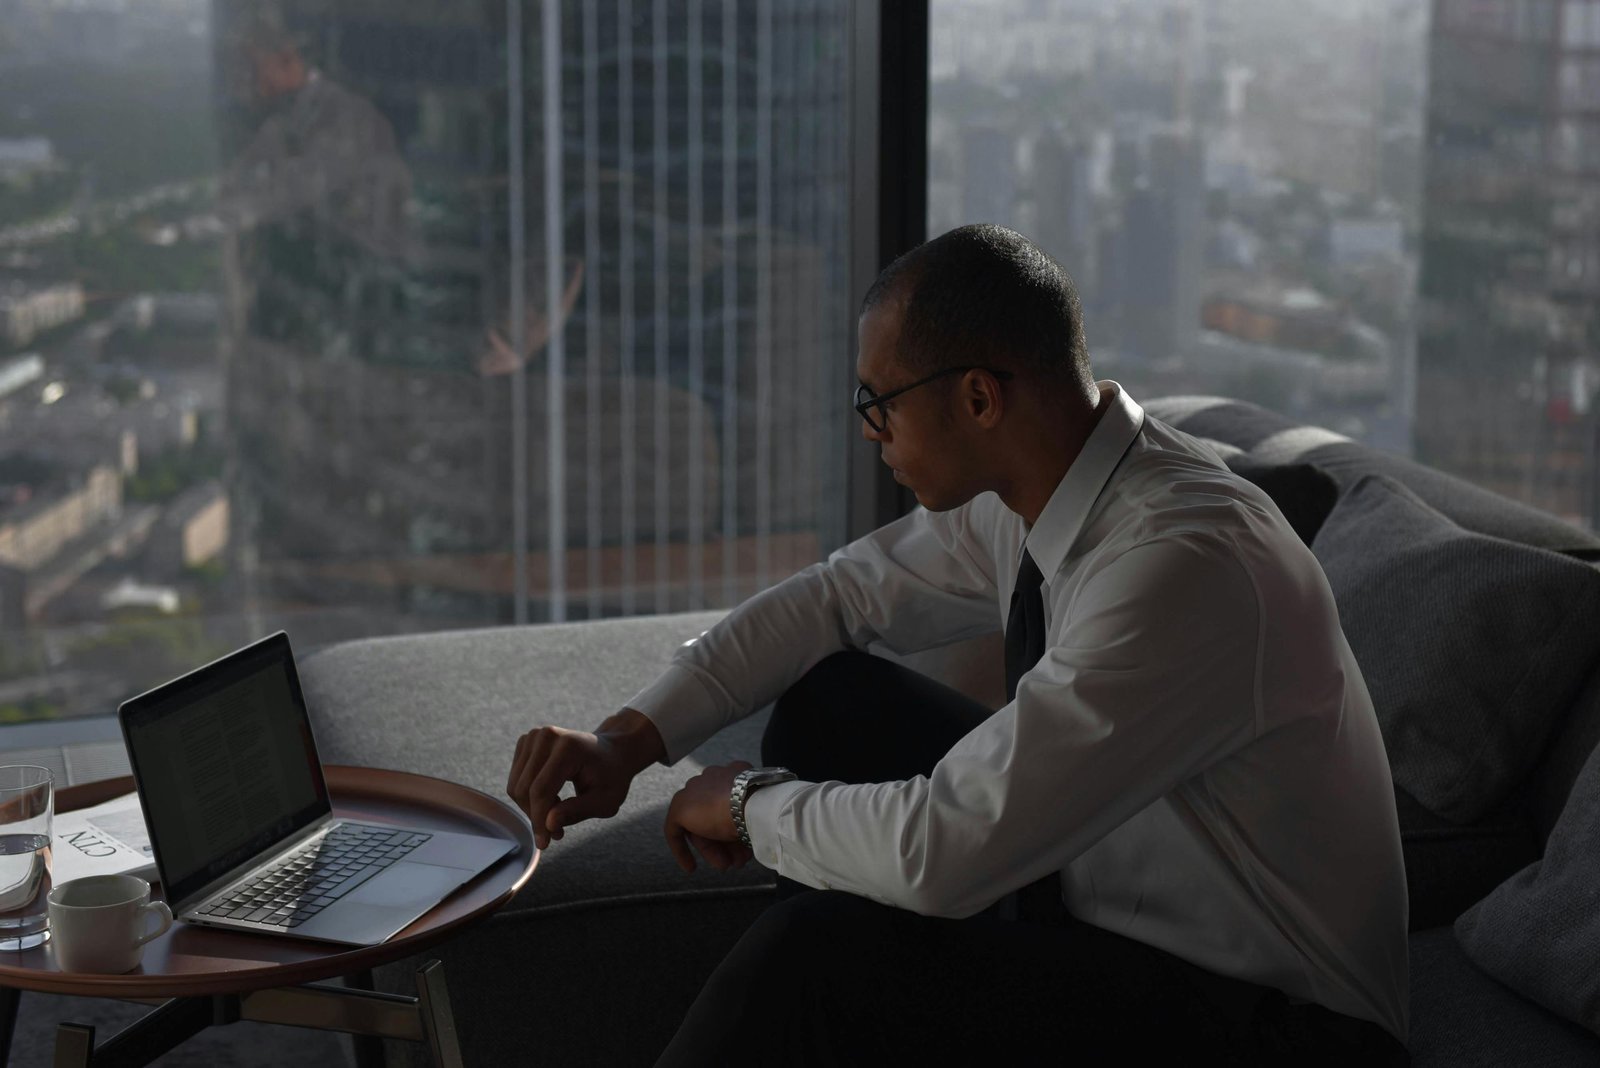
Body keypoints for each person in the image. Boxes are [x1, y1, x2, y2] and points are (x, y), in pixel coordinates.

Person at [505, 224, 1410, 1065]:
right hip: (1098, 898)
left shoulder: (1183, 564)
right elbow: (835, 598)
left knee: (820, 953)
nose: (871, 434)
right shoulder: (1048, 484)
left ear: (979, 397)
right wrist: (632, 740)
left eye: (879, 403)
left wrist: (748, 808)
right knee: (836, 701)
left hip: (1279, 1024)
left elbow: (946, 850)